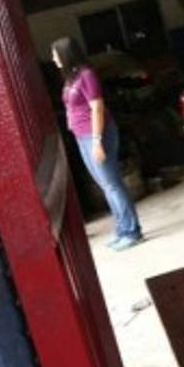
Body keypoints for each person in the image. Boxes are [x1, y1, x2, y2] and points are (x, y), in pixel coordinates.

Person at [51, 37, 143, 251]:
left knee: (112, 184)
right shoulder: (71, 77)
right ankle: (122, 229)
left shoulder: (86, 75)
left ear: (66, 54)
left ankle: (132, 231)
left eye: (55, 54)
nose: (53, 59)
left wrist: (97, 141)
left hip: (97, 134)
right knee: (105, 185)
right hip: (82, 136)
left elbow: (97, 108)